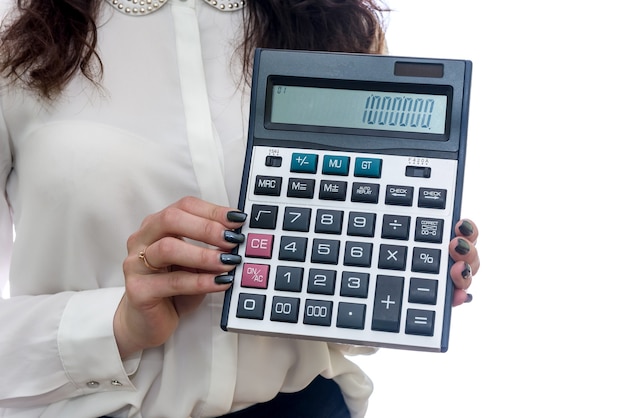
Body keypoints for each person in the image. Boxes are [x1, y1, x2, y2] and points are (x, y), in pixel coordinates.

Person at [0, 0, 480, 416]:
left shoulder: (338, 23)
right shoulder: (12, 31)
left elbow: (350, 330)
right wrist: (115, 325)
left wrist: (404, 270)